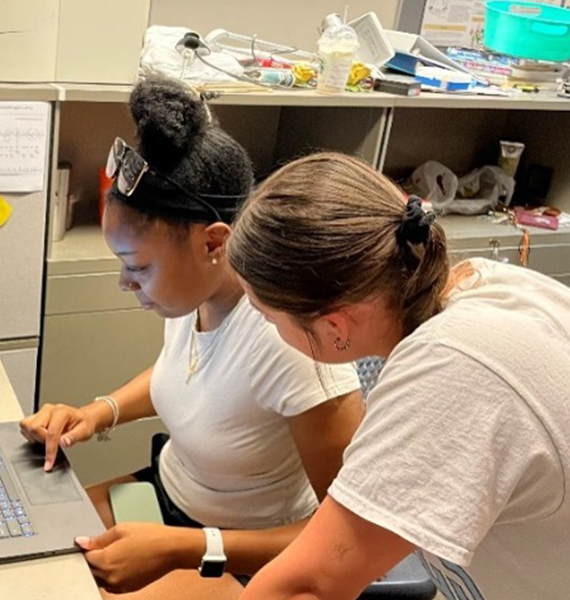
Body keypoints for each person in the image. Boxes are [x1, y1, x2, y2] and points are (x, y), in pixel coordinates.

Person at [227, 152, 570, 600]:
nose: (269, 330)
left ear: (333, 327)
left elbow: (306, 587)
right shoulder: (483, 285)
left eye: (266, 316)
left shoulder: (451, 370)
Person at [20, 79, 363, 599]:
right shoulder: (193, 295)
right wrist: (97, 412)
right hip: (168, 505)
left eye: (137, 266)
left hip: (242, 553)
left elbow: (343, 542)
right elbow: (190, 375)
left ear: (214, 242)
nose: (124, 283)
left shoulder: (292, 346)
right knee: (23, 555)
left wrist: (184, 549)